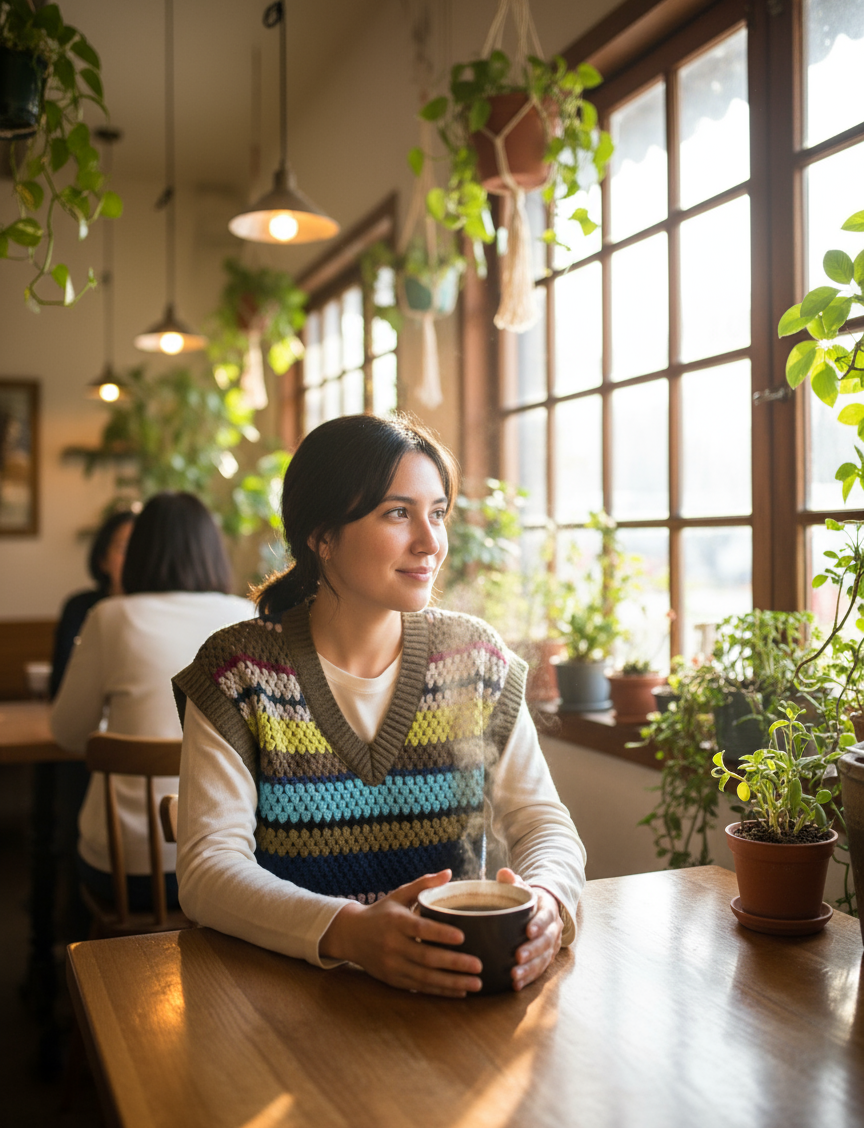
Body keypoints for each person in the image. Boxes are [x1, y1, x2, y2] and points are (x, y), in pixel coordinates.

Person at [173, 415, 586, 996]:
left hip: (452, 997)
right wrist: (351, 933)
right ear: (321, 535)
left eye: (437, 513)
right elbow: (207, 871)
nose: (430, 541)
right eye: (398, 513)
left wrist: (547, 900)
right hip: (284, 1005)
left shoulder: (475, 659)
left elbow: (543, 823)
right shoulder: (239, 672)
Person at [51, 492, 254, 911]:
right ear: (213, 551)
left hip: (130, 869)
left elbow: (67, 733)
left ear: (140, 552)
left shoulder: (111, 617)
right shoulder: (245, 616)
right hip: (233, 865)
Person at [50, 509, 136, 698]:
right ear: (102, 560)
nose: (134, 558)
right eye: (123, 549)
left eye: (141, 549)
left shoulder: (160, 611)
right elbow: (60, 683)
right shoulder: (79, 607)